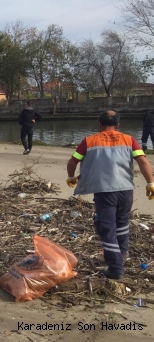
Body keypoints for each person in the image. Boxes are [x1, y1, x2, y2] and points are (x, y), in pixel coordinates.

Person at [66, 110, 154, 280]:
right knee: (121, 223)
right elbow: (143, 161)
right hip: (126, 190)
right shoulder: (130, 140)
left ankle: (115, 269)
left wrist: (71, 177)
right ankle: (122, 254)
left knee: (107, 229)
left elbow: (73, 161)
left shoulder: (89, 141)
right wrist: (150, 183)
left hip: (105, 192)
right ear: (118, 125)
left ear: (99, 124)